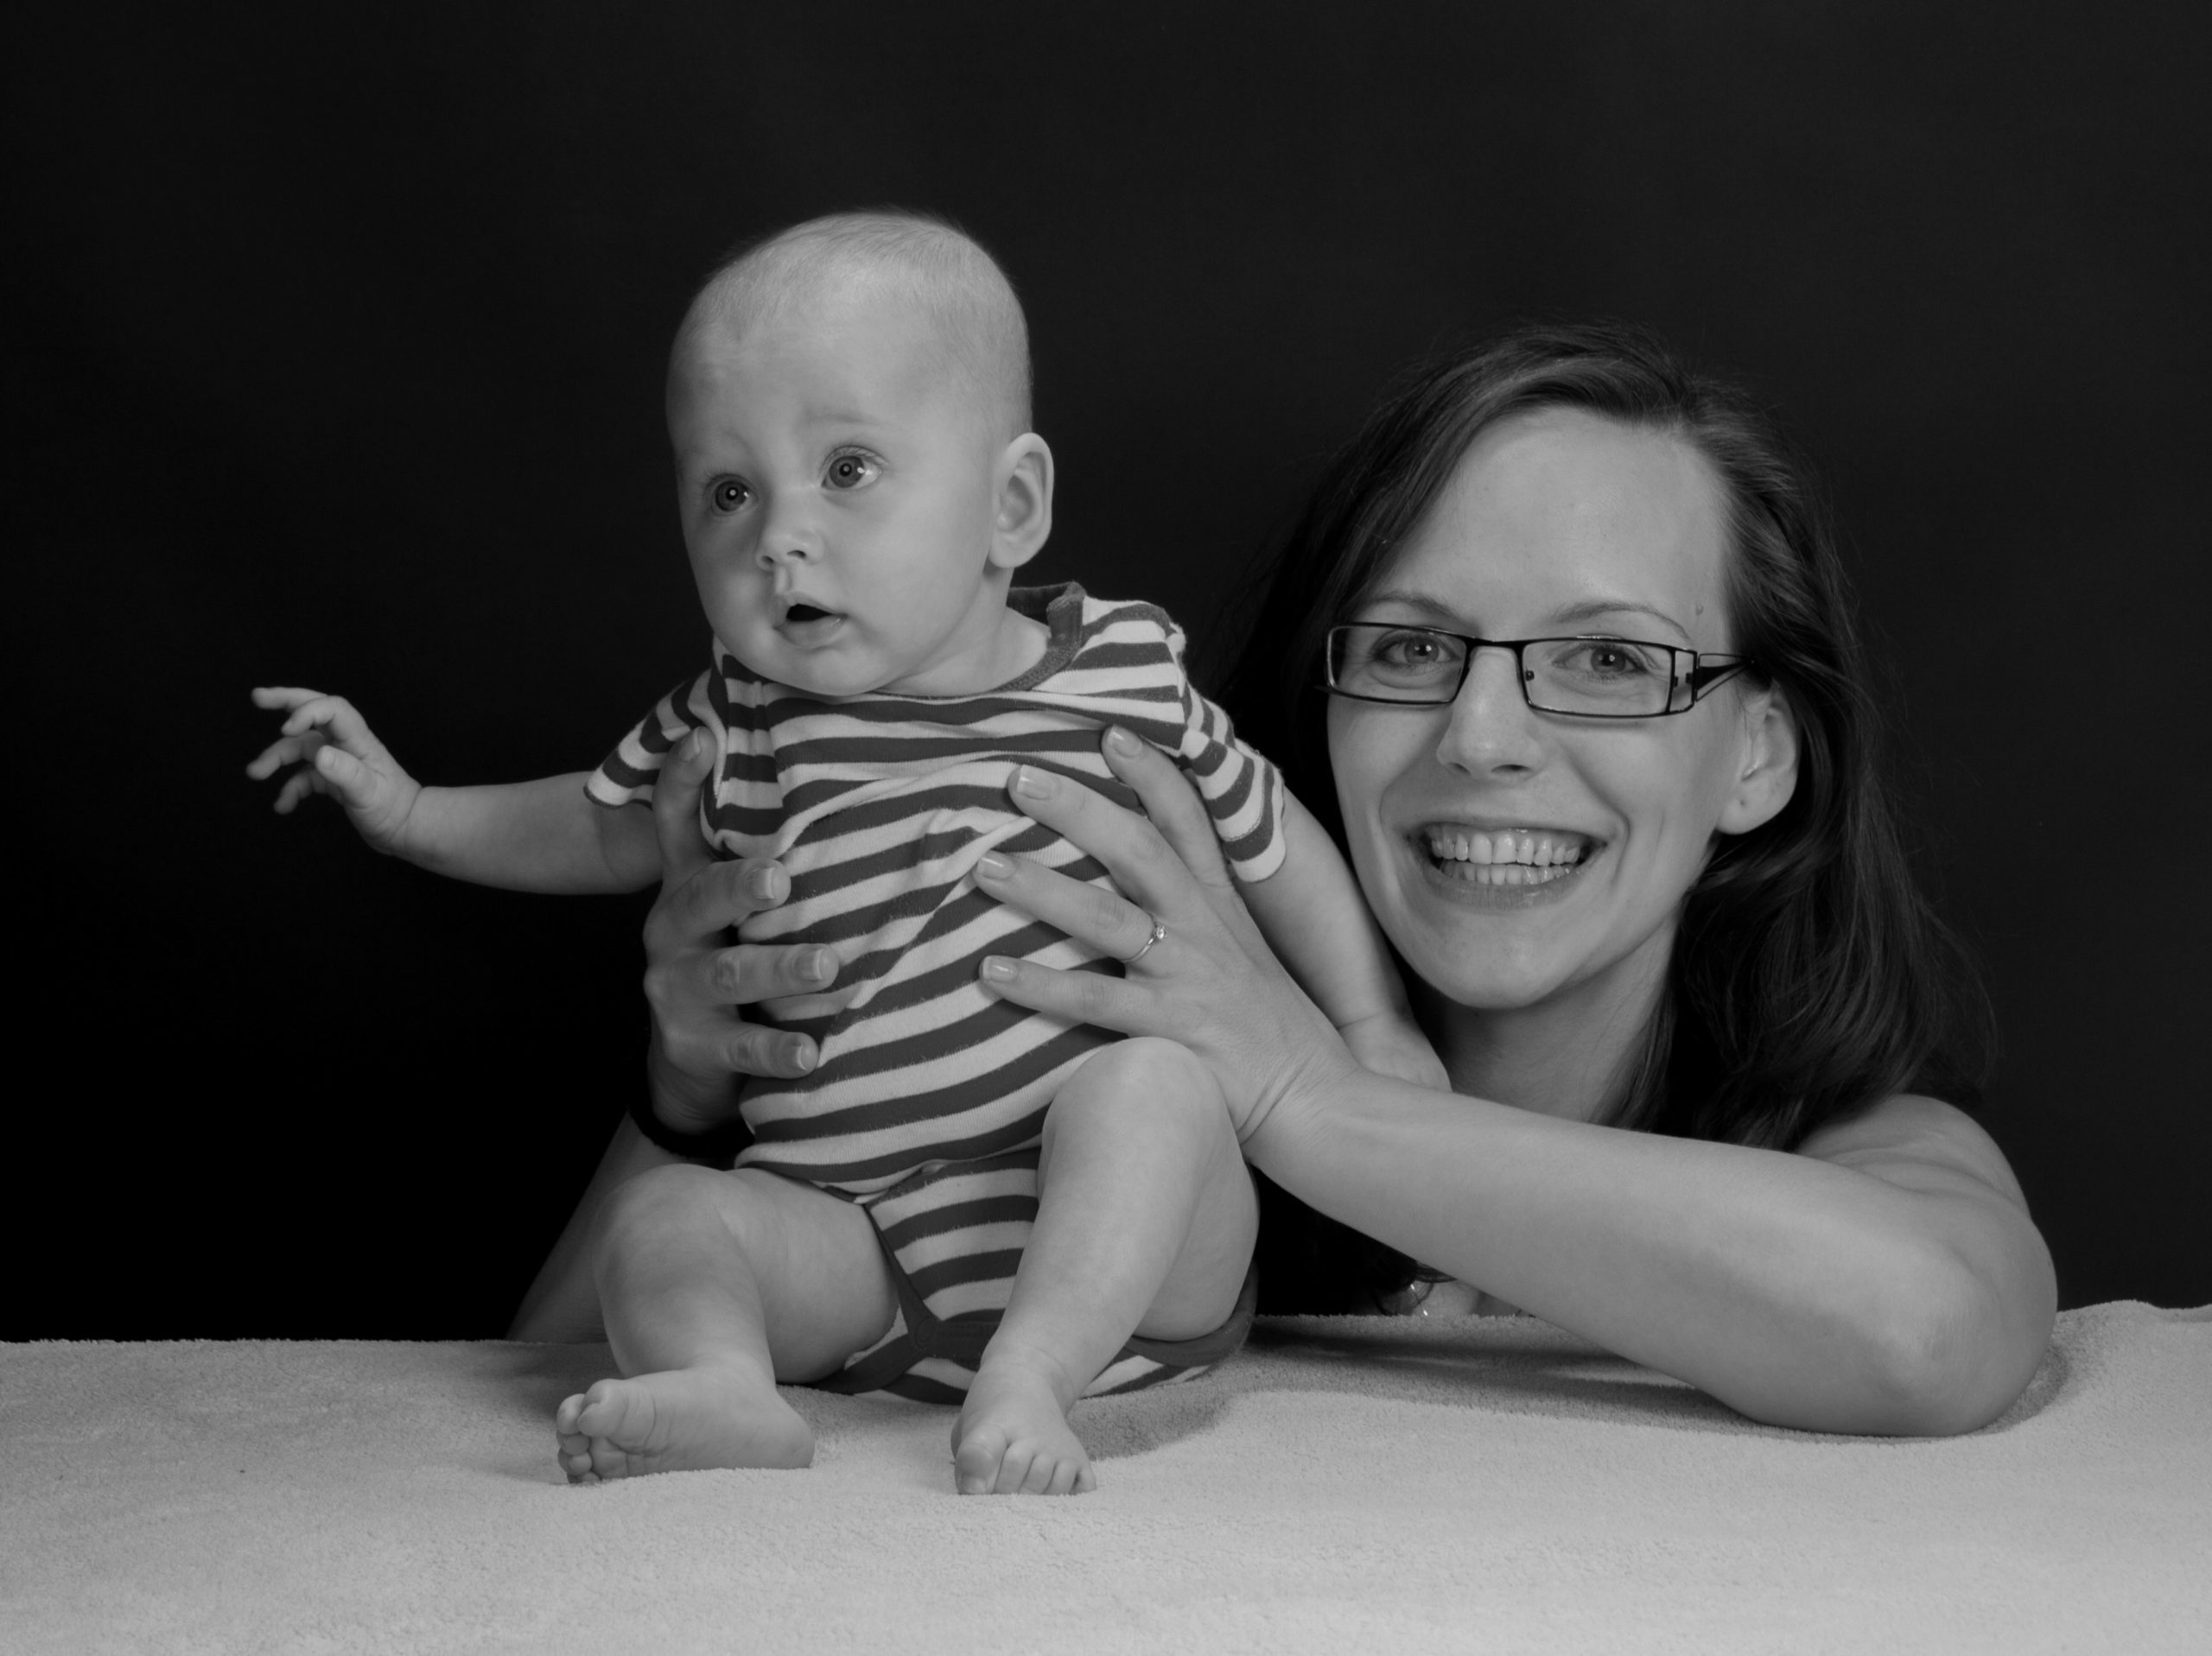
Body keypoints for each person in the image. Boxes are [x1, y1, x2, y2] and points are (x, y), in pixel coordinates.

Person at [582, 320, 2055, 1437]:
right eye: (1411, 648)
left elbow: (1925, 1333)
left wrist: (1314, 1096)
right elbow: (524, 1395)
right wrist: (687, 1100)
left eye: (1609, 659)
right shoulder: (1067, 1075)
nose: (1482, 738)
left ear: (1760, 755)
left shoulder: (1862, 1140)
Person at [247, 212, 1434, 1494]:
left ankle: (1035, 1373)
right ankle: (722, 1381)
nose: (777, 536)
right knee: (668, 1217)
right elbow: (595, 823)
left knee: (1153, 1090)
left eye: (848, 468)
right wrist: (412, 809)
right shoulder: (739, 716)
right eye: (729, 490)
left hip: (1134, 1264)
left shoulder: (1120, 674)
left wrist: (1369, 1024)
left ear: (1011, 506)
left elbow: (1272, 840)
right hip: (859, 1248)